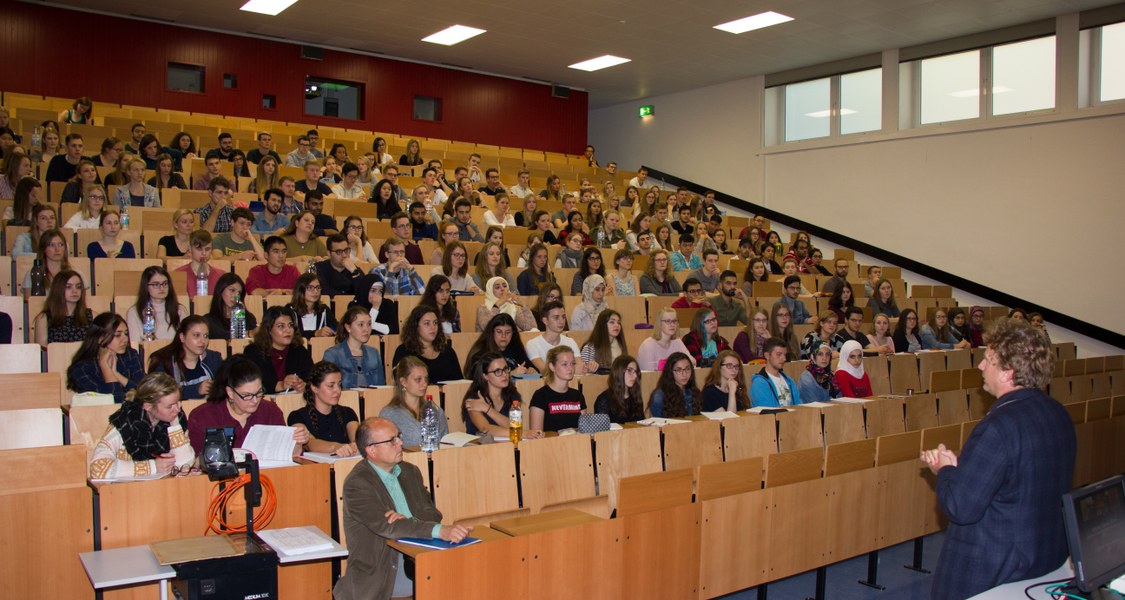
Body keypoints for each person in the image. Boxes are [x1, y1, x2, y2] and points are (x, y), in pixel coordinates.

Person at [921, 318, 1075, 600]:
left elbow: (961, 507)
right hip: (1043, 558)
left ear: (1008, 372)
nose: (980, 366)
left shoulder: (999, 426)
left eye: (988, 360)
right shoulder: (1057, 413)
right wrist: (962, 470)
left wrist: (945, 470)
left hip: (994, 570)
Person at [333, 418, 469, 600]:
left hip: (416, 556)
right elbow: (388, 527)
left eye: (398, 436)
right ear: (371, 450)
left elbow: (432, 513)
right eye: (391, 440)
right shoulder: (358, 483)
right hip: (380, 573)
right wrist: (440, 531)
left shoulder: (409, 471)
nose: (400, 443)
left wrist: (405, 521)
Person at [188, 357, 309, 454]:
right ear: (230, 392)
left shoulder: (271, 411)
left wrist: (297, 442)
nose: (255, 400)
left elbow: (286, 455)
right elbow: (198, 463)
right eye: (247, 395)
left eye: (259, 392)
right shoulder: (203, 416)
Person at [88, 372, 195, 479]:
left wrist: (175, 423)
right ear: (148, 406)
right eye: (170, 406)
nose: (177, 409)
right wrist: (153, 466)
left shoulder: (177, 417)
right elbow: (98, 469)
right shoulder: (125, 422)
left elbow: (185, 464)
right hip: (127, 491)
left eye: (178, 402)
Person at [67, 313, 145, 403]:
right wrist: (105, 367)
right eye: (117, 335)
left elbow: (146, 391)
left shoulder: (131, 355)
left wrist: (116, 374)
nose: (125, 339)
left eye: (126, 333)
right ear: (100, 339)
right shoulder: (82, 368)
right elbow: (114, 401)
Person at [287, 361, 360, 456]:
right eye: (331, 386)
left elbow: (357, 439)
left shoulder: (347, 412)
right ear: (314, 388)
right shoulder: (297, 416)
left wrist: (355, 445)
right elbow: (309, 443)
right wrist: (337, 447)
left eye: (339, 384)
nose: (337, 390)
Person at [147, 316, 223, 400]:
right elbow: (159, 393)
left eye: (206, 336)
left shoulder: (214, 359)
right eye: (196, 335)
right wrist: (197, 389)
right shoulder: (163, 361)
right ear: (182, 337)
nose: (203, 341)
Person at [242, 306, 314, 393]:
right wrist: (280, 385)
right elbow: (251, 385)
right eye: (281, 326)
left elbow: (311, 379)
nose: (288, 330)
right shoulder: (253, 352)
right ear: (269, 330)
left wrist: (303, 385)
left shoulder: (299, 350)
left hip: (294, 401)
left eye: (290, 325)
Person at [380, 356, 448, 446]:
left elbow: (445, 444)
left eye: (426, 379)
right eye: (418, 380)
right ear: (403, 382)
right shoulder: (389, 414)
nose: (424, 384)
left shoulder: (436, 411)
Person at [392, 305, 462, 383]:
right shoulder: (403, 351)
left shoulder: (447, 351)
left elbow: (459, 383)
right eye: (427, 323)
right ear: (416, 327)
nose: (433, 327)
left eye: (435, 323)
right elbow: (400, 382)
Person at [461, 351, 525, 436]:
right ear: (485, 376)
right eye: (497, 371)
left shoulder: (512, 394)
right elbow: (485, 429)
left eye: (506, 369)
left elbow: (514, 425)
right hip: (479, 447)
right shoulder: (474, 400)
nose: (504, 375)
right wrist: (523, 434)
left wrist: (487, 409)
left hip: (506, 445)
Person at [322, 306, 386, 388]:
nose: (366, 329)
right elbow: (328, 388)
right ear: (348, 328)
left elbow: (381, 387)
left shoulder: (374, 353)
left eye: (369, 324)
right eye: (361, 325)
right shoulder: (332, 355)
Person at [529, 346, 587, 433]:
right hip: (550, 444)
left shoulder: (578, 395)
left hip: (575, 444)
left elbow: (584, 431)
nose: (570, 368)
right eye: (564, 364)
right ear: (552, 367)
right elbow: (536, 434)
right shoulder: (540, 396)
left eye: (573, 364)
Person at [526, 301, 593, 374]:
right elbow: (545, 370)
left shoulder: (570, 342)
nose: (561, 321)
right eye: (556, 318)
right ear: (545, 320)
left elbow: (579, 367)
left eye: (563, 317)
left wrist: (588, 368)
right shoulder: (532, 344)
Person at [125, 266, 188, 343]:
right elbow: (135, 346)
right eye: (155, 284)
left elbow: (187, 341)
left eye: (165, 283)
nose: (162, 288)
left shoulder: (180, 310)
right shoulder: (134, 312)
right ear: (146, 287)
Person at [464, 313, 536, 376]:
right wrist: (510, 374)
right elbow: (479, 377)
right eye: (499, 332)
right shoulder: (481, 353)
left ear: (513, 333)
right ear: (492, 332)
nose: (503, 336)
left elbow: (530, 367)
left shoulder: (515, 349)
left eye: (508, 332)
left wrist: (531, 371)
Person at [33, 270, 91, 346]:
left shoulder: (92, 316)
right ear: (58, 289)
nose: (75, 291)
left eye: (78, 287)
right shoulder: (43, 318)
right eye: (68, 287)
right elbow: (43, 352)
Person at [749, 337, 802, 408]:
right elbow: (767, 413)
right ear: (767, 355)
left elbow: (799, 406)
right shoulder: (759, 383)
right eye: (779, 354)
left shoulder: (789, 381)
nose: (784, 359)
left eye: (785, 355)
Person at [205, 273, 258, 340]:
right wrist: (249, 333)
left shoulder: (249, 318)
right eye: (232, 290)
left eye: (239, 293)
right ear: (220, 290)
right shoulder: (208, 321)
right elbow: (219, 335)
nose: (236, 296)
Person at [594, 355, 645, 424]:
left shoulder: (635, 397)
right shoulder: (604, 400)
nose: (635, 375)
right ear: (619, 372)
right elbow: (602, 432)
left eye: (636, 371)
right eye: (630, 370)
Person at [650, 352, 700, 418]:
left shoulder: (693, 391)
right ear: (670, 372)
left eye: (687, 369)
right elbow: (658, 424)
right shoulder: (659, 396)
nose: (684, 374)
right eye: (679, 370)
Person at [291, 273, 337, 339]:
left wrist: (331, 331)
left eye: (318, 287)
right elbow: (291, 333)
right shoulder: (290, 310)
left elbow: (336, 328)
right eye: (310, 288)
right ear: (301, 290)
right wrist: (315, 333)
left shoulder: (324, 310)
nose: (315, 291)